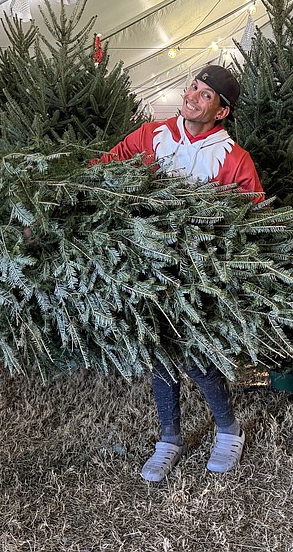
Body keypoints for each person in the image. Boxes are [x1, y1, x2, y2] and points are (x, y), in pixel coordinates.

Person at [100, 65, 264, 482]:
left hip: (200, 275)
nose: (192, 95)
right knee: (158, 351)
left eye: (206, 94)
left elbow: (255, 218)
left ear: (222, 111)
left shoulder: (234, 159)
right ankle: (169, 438)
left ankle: (228, 431)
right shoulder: (149, 136)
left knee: (196, 355)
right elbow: (106, 168)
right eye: (193, 86)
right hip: (148, 268)